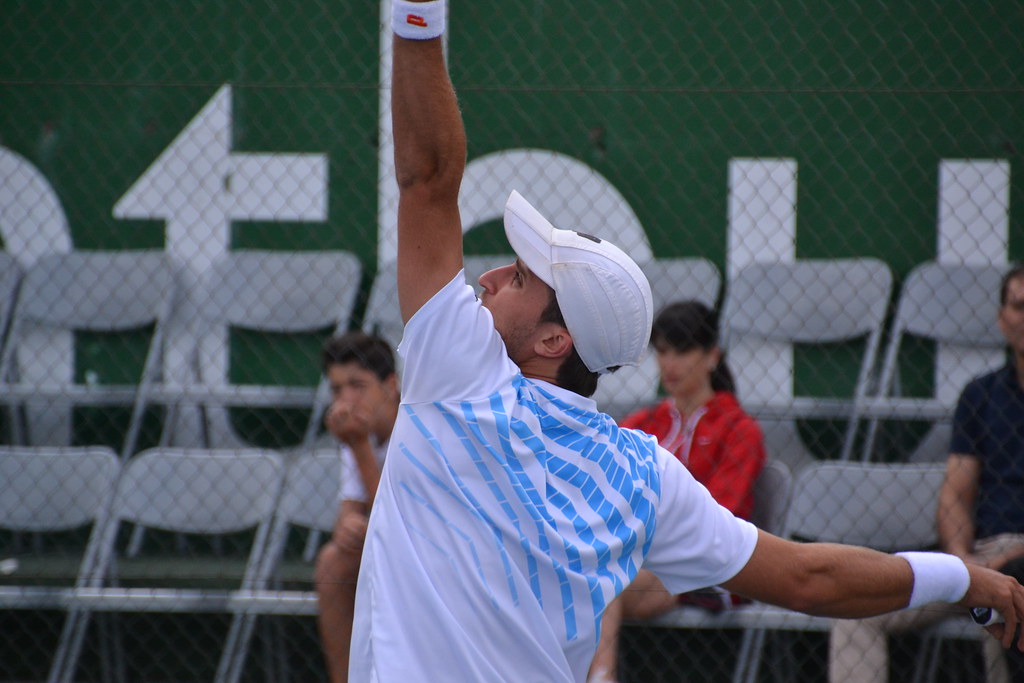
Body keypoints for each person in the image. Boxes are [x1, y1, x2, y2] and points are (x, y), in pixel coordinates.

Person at [349, 3, 1024, 681]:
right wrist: (962, 576)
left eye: (519, 276)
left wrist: (416, 15)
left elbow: (428, 180)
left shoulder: (460, 373)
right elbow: (809, 578)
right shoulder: (643, 476)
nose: (489, 277)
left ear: (554, 338)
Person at [830, 264, 1024, 683]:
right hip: (978, 556)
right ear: (1001, 318)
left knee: (1009, 602)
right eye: (1018, 306)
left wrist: (1003, 566)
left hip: (1019, 562)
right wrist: (963, 561)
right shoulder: (980, 395)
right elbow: (955, 495)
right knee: (859, 609)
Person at [589, 301, 766, 683]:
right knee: (576, 577)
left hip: (704, 566)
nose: (669, 364)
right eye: (663, 351)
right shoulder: (643, 423)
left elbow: (721, 514)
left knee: (600, 583)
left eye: (682, 351)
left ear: (712, 355)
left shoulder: (739, 430)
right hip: (639, 561)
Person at [312, 332, 399, 683]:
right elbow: (347, 517)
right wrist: (350, 525)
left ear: (391, 386)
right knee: (333, 561)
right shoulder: (357, 432)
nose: (345, 400)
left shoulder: (415, 429)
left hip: (433, 550)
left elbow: (400, 521)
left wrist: (359, 446)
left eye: (357, 386)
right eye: (336, 389)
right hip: (390, 545)